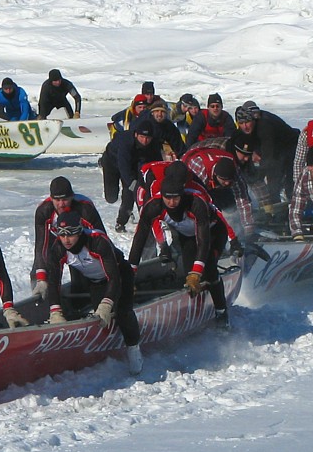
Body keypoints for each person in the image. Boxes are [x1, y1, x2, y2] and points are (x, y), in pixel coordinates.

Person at [37, 211, 143, 375]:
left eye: (70, 235)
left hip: (120, 275)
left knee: (122, 311)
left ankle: (134, 348)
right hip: (95, 281)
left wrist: (107, 303)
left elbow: (114, 278)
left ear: (79, 231)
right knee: (98, 319)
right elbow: (54, 282)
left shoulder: (97, 242)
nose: (66, 240)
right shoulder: (58, 248)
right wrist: (55, 311)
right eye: (61, 234)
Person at [130, 173, 231, 328]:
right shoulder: (153, 206)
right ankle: (193, 303)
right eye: (167, 198)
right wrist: (131, 273)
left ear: (182, 196)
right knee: (188, 269)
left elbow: (204, 240)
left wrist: (197, 272)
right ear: (161, 196)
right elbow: (139, 240)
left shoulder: (196, 203)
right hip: (188, 236)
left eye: (176, 198)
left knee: (208, 267)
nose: (172, 202)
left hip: (214, 232)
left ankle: (221, 312)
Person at [31, 176, 106, 289]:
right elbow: (41, 244)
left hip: (79, 239)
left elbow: (102, 238)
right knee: (39, 271)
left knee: (81, 278)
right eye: (57, 200)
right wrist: (41, 277)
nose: (61, 204)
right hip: (56, 238)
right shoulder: (44, 210)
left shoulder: (84, 207)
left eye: (65, 199)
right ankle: (39, 296)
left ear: (72, 196)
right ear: (51, 199)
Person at [101, 121, 165, 232]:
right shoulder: (125, 142)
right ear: (136, 134)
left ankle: (121, 221)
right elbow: (123, 166)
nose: (145, 141)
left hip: (134, 165)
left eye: (148, 138)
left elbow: (157, 164)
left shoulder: (153, 144)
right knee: (111, 198)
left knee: (129, 193)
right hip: (112, 162)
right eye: (142, 137)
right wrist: (133, 184)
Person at [182, 147, 256, 238]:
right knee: (204, 208)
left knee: (230, 207)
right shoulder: (200, 170)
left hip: (214, 180)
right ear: (216, 175)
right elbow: (196, 199)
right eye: (224, 180)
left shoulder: (235, 171)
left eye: (230, 180)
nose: (227, 183)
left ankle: (232, 229)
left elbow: (242, 198)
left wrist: (248, 226)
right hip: (191, 167)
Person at [235, 100, 299, 204]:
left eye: (247, 122)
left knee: (281, 179)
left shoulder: (264, 126)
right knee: (273, 177)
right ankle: (277, 204)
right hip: (277, 147)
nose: (245, 126)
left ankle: (290, 206)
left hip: (290, 146)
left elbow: (268, 156)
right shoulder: (252, 124)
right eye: (241, 123)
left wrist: (258, 174)